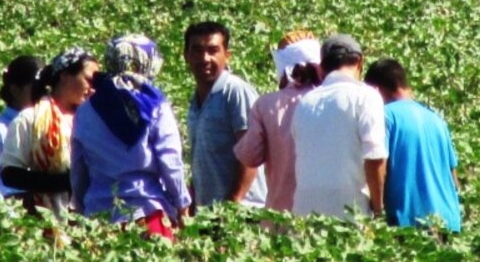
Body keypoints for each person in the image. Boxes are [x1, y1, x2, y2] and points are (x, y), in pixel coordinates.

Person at [70, 35, 191, 241]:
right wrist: (182, 205)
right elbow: (170, 162)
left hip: (99, 217)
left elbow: (79, 168)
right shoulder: (155, 105)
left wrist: (80, 207)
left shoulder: (86, 110)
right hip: (147, 213)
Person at [291, 34, 388, 221]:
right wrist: (378, 209)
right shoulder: (366, 96)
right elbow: (375, 158)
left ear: (322, 68)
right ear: (359, 62)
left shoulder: (305, 102)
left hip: (305, 214)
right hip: (348, 213)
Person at [0, 47, 100, 223]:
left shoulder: (94, 121)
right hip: (45, 218)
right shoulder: (30, 119)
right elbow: (10, 174)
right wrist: (60, 182)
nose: (92, 89)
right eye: (88, 80)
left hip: (91, 216)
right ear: (64, 76)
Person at [364, 58, 461, 232]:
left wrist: (378, 212)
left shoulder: (384, 116)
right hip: (448, 221)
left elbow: (378, 165)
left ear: (375, 90)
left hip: (409, 221)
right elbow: (453, 177)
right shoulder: (436, 118)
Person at [233, 30, 321, 212]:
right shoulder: (330, 100)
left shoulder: (266, 105)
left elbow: (250, 156)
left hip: (281, 213)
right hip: (327, 213)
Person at [184, 21, 267, 208]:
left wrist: (233, 202)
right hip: (209, 213)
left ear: (227, 55)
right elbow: (202, 159)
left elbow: (251, 152)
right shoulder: (195, 100)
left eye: (213, 50)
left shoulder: (236, 92)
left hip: (243, 211)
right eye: (197, 50)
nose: (204, 58)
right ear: (186, 56)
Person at [0, 55, 44, 199]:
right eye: (35, 88)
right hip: (14, 208)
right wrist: (9, 215)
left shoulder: (49, 126)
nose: (41, 94)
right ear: (15, 90)